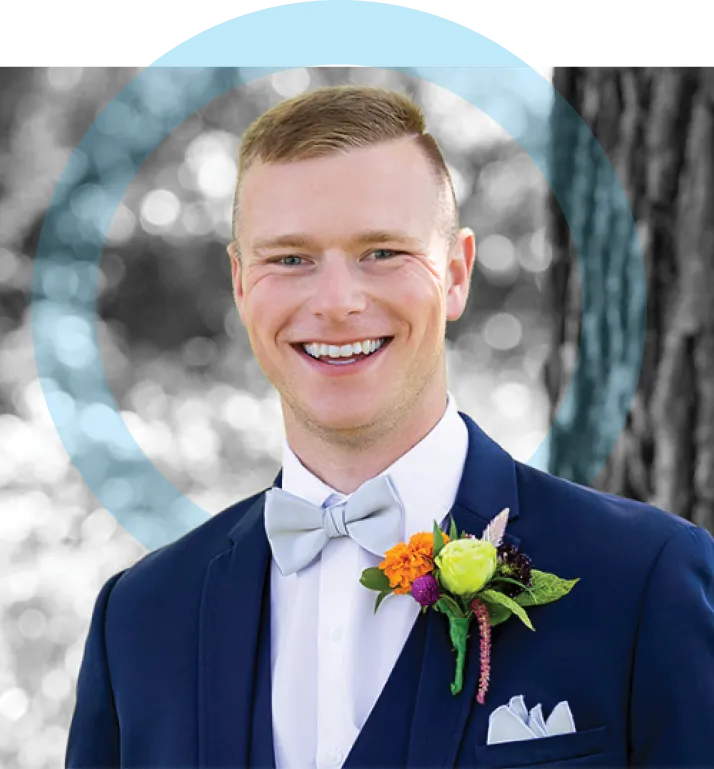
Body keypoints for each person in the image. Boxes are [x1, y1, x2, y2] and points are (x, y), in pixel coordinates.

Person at [66, 85, 714, 769]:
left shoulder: (644, 581)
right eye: (290, 258)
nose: (338, 302)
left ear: (456, 273)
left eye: (381, 252)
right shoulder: (137, 620)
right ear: (240, 284)